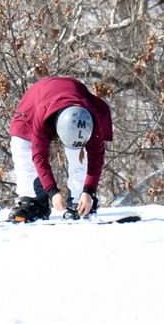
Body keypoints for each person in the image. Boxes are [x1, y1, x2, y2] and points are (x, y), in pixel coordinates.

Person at [8, 76, 113, 222]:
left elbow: (96, 157)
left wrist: (88, 191)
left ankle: (79, 201)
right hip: (33, 106)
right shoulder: (41, 116)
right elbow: (39, 157)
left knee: (81, 157)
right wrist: (53, 192)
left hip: (73, 97)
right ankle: (33, 200)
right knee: (23, 150)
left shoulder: (92, 118)